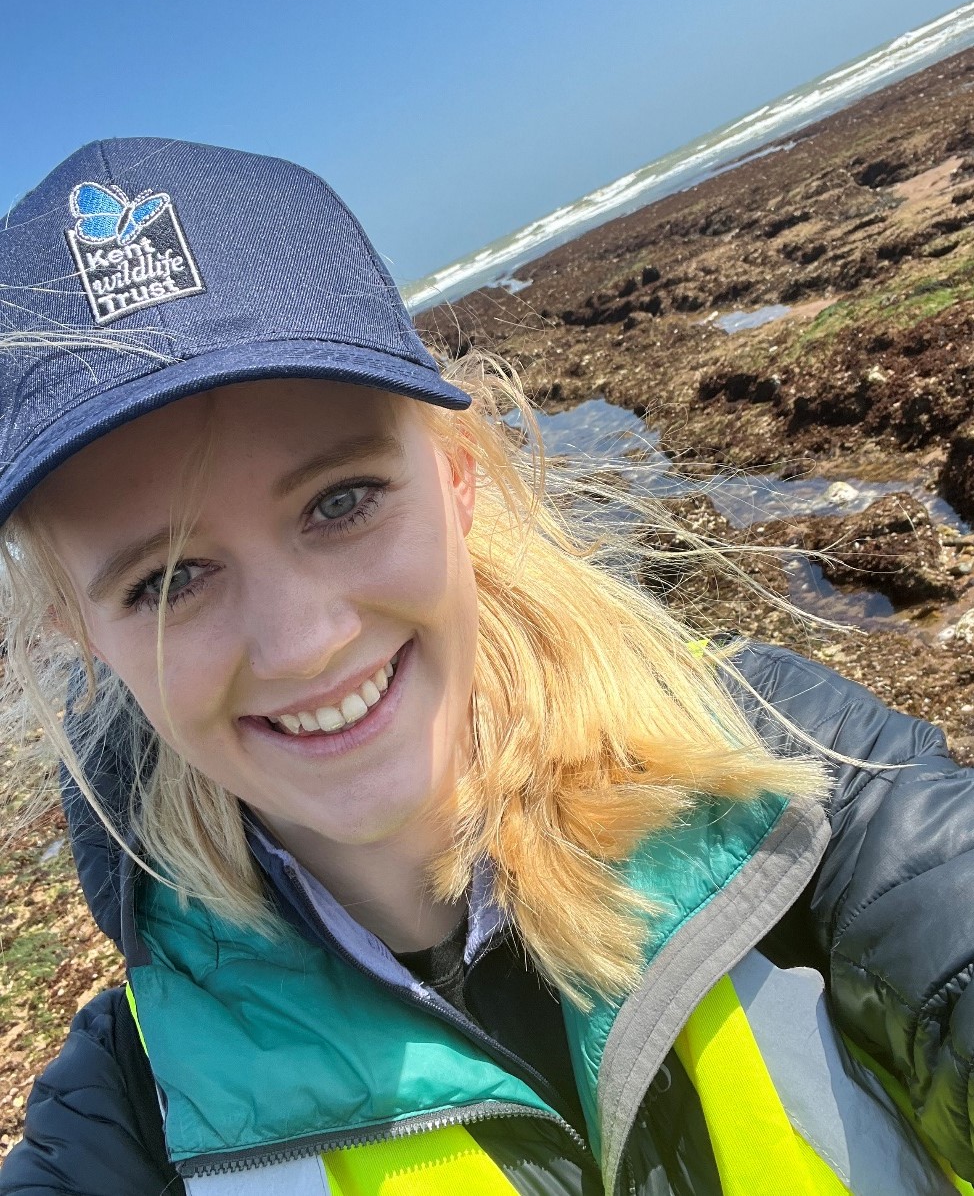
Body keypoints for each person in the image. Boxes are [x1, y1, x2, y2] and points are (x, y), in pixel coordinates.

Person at [1, 138, 973, 1196]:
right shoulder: (134, 1122)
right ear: (78, 631)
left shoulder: (778, 768)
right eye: (170, 578)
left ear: (458, 477)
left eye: (340, 502)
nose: (303, 644)